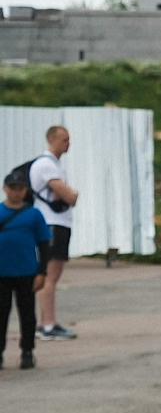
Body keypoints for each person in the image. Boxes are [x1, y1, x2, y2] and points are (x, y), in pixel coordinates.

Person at [28, 124, 77, 341]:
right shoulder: (47, 165)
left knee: (52, 275)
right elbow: (70, 196)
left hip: (57, 223)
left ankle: (48, 321)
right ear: (52, 140)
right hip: (52, 224)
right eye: (64, 139)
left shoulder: (54, 165)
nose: (68, 143)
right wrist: (72, 193)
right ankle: (47, 324)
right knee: (50, 274)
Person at [0, 168, 52, 369]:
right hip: (2, 273)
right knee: (1, 314)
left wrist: (42, 272)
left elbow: (44, 245)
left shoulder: (34, 215)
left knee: (27, 314)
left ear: (25, 191)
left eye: (20, 188)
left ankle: (27, 351)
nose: (16, 192)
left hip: (26, 272)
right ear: (5, 189)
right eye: (12, 188)